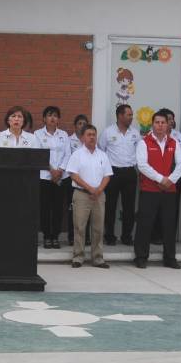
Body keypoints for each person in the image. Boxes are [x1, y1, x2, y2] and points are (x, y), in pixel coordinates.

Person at [133, 111, 181, 268]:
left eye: (163, 122)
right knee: (145, 224)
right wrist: (161, 179)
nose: (160, 125)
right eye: (157, 122)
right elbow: (142, 165)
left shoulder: (173, 142)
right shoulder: (144, 142)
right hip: (149, 189)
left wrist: (170, 180)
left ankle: (170, 258)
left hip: (169, 190)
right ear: (152, 124)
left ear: (168, 125)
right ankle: (141, 257)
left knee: (169, 225)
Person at [65, 123, 112, 269]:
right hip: (82, 195)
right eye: (89, 135)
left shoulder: (102, 155)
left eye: (94, 134)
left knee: (98, 228)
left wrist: (98, 190)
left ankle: (97, 258)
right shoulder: (77, 154)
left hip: (99, 195)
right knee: (79, 227)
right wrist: (90, 189)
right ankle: (78, 257)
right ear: (82, 138)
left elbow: (107, 175)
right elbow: (73, 174)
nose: (92, 137)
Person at [98, 104, 140, 245]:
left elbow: (140, 153)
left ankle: (127, 236)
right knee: (110, 206)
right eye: (129, 114)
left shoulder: (135, 133)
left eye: (131, 114)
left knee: (129, 207)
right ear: (120, 116)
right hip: (112, 173)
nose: (131, 117)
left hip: (129, 172)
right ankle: (109, 236)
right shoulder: (108, 132)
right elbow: (101, 152)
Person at [34, 105, 69, 249]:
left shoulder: (64, 135)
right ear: (44, 118)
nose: (52, 118)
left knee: (58, 208)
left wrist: (59, 170)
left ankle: (55, 236)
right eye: (49, 115)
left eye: (55, 115)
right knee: (45, 208)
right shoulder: (37, 134)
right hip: (44, 176)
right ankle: (47, 236)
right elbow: (38, 154)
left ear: (58, 119)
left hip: (61, 177)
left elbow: (68, 154)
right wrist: (51, 170)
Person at [65, 114, 88, 243]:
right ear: (75, 126)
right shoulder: (69, 140)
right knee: (73, 209)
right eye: (79, 123)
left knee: (87, 209)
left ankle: (86, 237)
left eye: (84, 123)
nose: (82, 126)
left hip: (87, 180)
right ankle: (72, 237)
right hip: (72, 180)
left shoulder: (90, 140)